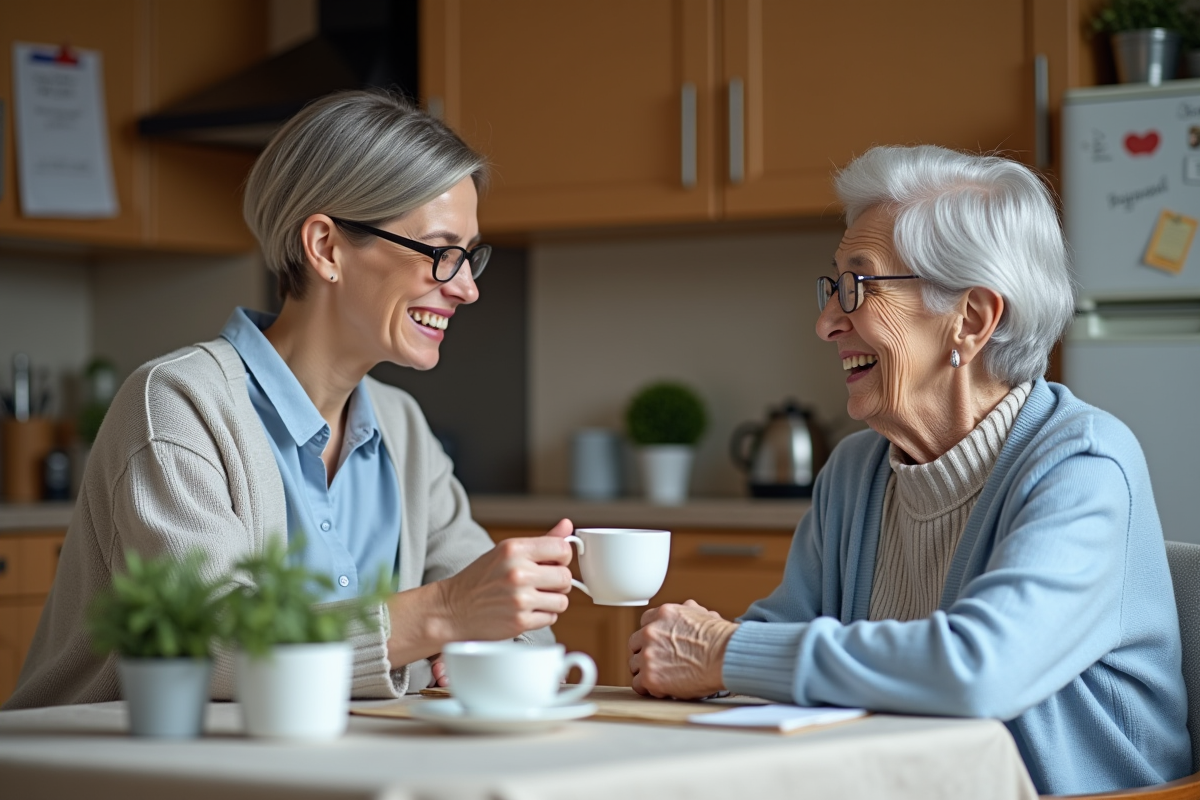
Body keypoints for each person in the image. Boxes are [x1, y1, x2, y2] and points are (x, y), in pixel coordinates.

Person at [627, 145, 1191, 795]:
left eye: (858, 287)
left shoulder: (1083, 466)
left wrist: (724, 655)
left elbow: (980, 669)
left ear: (971, 320)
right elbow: (774, 637)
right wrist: (704, 659)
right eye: (833, 286)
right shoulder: (857, 471)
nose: (827, 322)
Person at [6, 90, 574, 709]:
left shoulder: (401, 427)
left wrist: (476, 632)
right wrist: (442, 614)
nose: (466, 288)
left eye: (470, 257)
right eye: (442, 253)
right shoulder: (176, 404)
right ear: (326, 247)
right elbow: (216, 645)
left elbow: (520, 631)